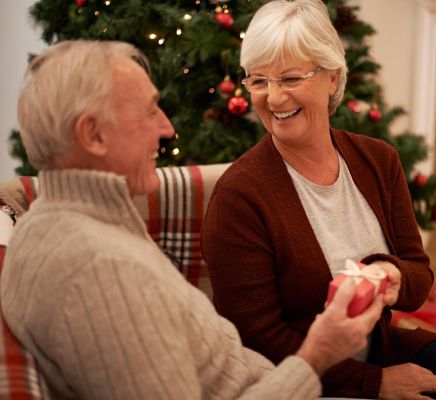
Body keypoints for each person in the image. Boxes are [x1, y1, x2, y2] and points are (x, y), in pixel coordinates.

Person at [0, 39, 386, 400]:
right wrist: (318, 354)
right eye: (150, 111)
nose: (166, 128)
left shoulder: (54, 223)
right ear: (93, 134)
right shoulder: (101, 271)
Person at [202, 1, 436, 399]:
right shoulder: (239, 197)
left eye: (290, 78)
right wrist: (374, 383)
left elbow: (419, 275)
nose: (274, 97)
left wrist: (393, 277)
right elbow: (255, 342)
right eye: (259, 80)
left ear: (332, 78)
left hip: (379, 349)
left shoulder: (378, 160)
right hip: (306, 380)